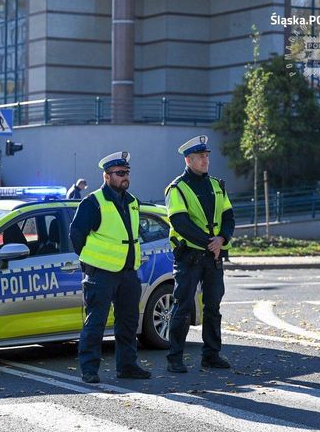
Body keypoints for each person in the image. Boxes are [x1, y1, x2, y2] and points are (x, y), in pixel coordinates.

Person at [69, 151, 151, 384]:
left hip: (127, 273)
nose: (125, 177)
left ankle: (127, 366)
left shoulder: (132, 201)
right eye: (120, 173)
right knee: (96, 323)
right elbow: (76, 235)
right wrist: (91, 260)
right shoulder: (93, 202)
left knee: (128, 322)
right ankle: (89, 369)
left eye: (127, 173)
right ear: (106, 176)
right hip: (101, 274)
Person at [164, 135, 235, 373]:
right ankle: (175, 358)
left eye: (207, 156)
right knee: (183, 307)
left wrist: (222, 238)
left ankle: (211, 355)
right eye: (201, 157)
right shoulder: (177, 188)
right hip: (190, 257)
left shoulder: (217, 185)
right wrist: (209, 242)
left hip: (213, 256)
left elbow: (228, 217)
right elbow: (180, 223)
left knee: (213, 307)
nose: (206, 161)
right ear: (188, 160)